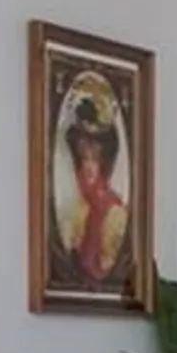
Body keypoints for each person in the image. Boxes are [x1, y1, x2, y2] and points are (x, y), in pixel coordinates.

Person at [49, 77, 133, 294]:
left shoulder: (117, 217)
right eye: (81, 159)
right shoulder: (74, 213)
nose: (85, 168)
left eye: (93, 159)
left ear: (106, 163)